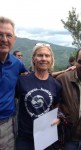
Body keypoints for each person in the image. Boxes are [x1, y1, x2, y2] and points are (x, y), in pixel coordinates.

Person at [15, 43, 63, 150]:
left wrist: (58, 118)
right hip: (25, 137)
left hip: (45, 136)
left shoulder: (56, 84)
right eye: (40, 55)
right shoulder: (22, 80)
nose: (43, 59)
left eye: (47, 56)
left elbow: (57, 106)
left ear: (51, 59)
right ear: (34, 58)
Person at [0, 16, 27, 150]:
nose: (4, 39)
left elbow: (32, 77)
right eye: (0, 35)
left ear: (14, 39)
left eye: (8, 35)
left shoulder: (17, 64)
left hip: (7, 125)